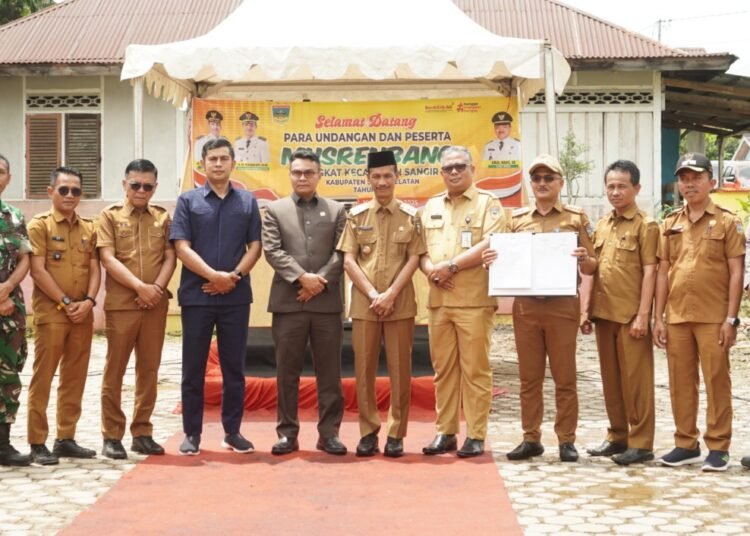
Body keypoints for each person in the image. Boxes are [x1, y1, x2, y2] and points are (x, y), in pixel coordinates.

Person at [485, 154, 595, 463]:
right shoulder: (517, 219)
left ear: (561, 183)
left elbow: (593, 265)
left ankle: (566, 440)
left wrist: (583, 258)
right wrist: (494, 261)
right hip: (527, 308)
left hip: (562, 306)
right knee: (529, 377)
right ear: (531, 184)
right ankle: (530, 437)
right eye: (537, 179)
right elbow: (506, 257)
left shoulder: (575, 217)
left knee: (565, 377)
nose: (543, 183)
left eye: (549, 178)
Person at [170, 137, 262, 456]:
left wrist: (233, 278)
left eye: (224, 158)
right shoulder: (188, 202)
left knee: (233, 368)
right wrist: (213, 277)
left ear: (233, 163)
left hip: (235, 297)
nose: (218, 164)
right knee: (193, 367)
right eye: (212, 159)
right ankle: (192, 433)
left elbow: (255, 247)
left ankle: (232, 431)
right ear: (203, 164)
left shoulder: (247, 202)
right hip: (198, 296)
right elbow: (181, 247)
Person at [654, 152, 744, 472]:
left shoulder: (727, 221)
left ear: (711, 181)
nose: (689, 184)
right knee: (680, 381)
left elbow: (737, 272)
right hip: (677, 315)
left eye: (696, 177)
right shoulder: (670, 223)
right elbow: (664, 271)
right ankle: (685, 443)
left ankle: (718, 446)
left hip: (713, 317)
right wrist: (658, 318)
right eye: (684, 178)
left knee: (717, 380)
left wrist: (731, 319)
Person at [338, 150, 426, 458]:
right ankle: (367, 431)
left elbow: (415, 258)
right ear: (368, 179)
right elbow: (349, 260)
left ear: (397, 177)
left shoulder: (412, 217)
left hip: (399, 304)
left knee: (401, 370)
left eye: (388, 175)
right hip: (365, 305)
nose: (382, 182)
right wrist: (374, 295)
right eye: (376, 176)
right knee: (363, 370)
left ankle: (396, 433)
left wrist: (389, 294)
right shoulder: (357, 216)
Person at [419, 146, 504, 458]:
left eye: (460, 166)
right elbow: (420, 249)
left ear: (472, 169)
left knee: (475, 370)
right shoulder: (429, 207)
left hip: (473, 301)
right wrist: (431, 270)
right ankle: (446, 432)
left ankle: (477, 434)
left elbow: (491, 242)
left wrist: (451, 267)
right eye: (448, 168)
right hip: (439, 300)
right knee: (443, 371)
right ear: (441, 173)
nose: (454, 172)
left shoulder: (488, 204)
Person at [261, 149, 347, 456]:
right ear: (290, 174)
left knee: (330, 373)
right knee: (287, 373)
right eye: (297, 172)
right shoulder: (275, 209)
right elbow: (272, 250)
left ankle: (329, 434)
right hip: (288, 304)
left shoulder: (337, 210)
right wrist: (302, 279)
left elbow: (342, 253)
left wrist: (318, 281)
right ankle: (287, 433)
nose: (302, 177)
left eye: (308, 172)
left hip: (326, 304)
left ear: (319, 175)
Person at [97, 159, 176, 459]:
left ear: (155, 187)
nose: (141, 190)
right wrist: (140, 288)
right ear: (124, 184)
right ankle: (111, 435)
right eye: (135, 184)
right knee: (114, 370)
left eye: (147, 186)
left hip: (155, 305)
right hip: (122, 305)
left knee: (149, 369)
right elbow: (108, 258)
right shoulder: (110, 216)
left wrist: (155, 288)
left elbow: (171, 256)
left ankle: (142, 431)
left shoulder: (162, 217)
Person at [581, 160, 658, 465]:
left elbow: (651, 272)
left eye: (622, 185)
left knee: (636, 382)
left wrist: (644, 316)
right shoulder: (602, 225)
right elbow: (594, 269)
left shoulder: (646, 225)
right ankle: (617, 436)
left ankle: (641, 443)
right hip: (604, 314)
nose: (615, 192)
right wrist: (585, 310)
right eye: (611, 186)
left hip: (630, 317)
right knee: (611, 380)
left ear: (636, 188)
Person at [26, 166, 100, 465]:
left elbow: (95, 268)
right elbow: (37, 270)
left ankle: (65, 437)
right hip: (53, 313)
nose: (70, 196)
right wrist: (67, 301)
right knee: (44, 376)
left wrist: (90, 301)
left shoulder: (88, 228)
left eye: (76, 191)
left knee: (75, 376)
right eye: (64, 190)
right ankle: (37, 441)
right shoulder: (39, 226)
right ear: (50, 192)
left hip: (82, 314)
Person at [0, 155, 33, 466]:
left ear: (8, 178)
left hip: (11, 309)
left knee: (9, 373)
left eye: (0, 171)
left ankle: (3, 444)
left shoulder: (13, 216)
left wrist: (7, 287)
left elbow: (25, 258)